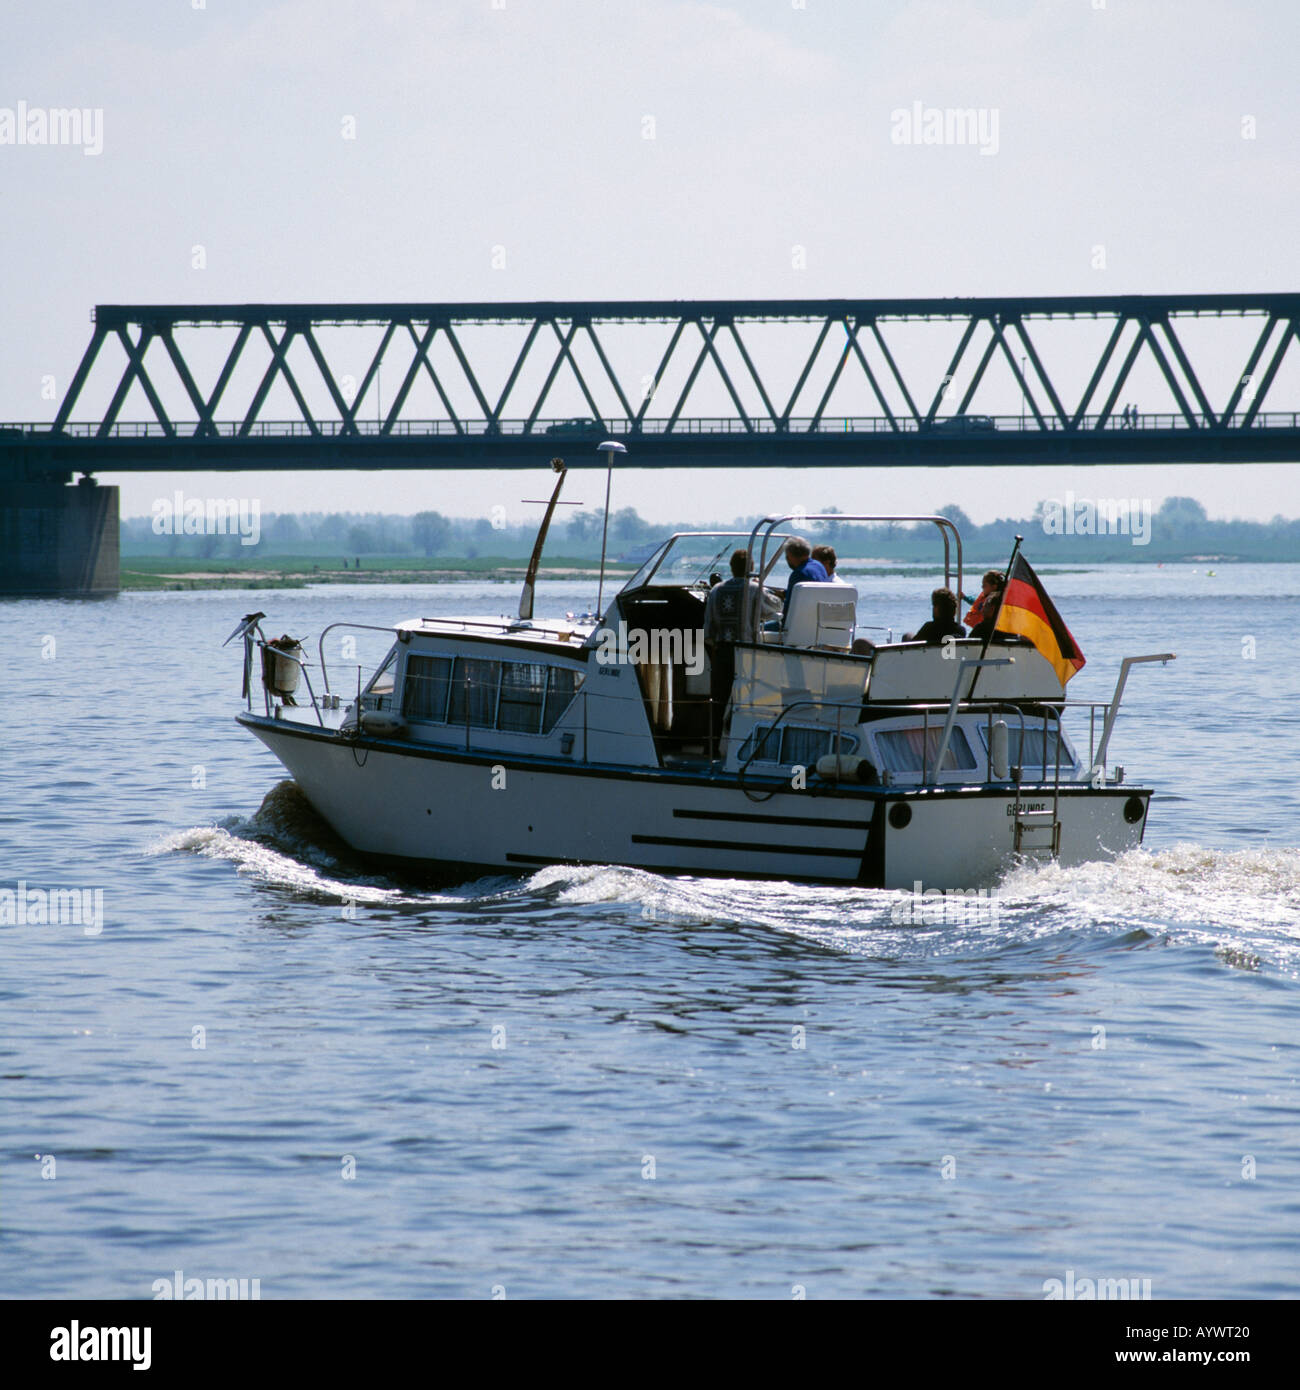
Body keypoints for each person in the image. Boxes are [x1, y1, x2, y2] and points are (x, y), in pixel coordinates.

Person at [703, 549, 781, 757]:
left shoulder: (716, 590)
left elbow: (708, 631)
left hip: (722, 653)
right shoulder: (755, 589)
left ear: (731, 567)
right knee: (746, 702)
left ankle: (710, 747)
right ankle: (741, 749)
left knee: (718, 701)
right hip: (746, 654)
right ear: (752, 568)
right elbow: (776, 608)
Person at [781, 537, 829, 617]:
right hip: (818, 621)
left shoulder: (798, 574)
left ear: (790, 556)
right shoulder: (819, 566)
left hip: (797, 624)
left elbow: (787, 610)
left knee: (757, 626)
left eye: (787, 556)